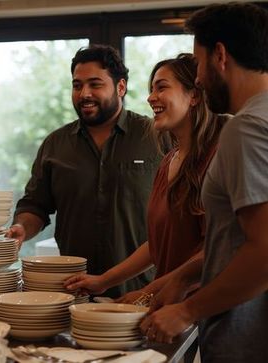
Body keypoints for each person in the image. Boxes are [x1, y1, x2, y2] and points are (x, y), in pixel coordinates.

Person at [140, 3, 268, 362]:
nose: (199, 79)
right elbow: (246, 240)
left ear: (220, 55)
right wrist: (184, 275)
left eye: (199, 63)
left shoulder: (249, 128)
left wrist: (187, 311)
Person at [6, 44, 168, 298]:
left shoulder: (157, 138)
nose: (84, 94)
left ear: (121, 87)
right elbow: (35, 205)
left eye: (95, 84)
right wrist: (22, 229)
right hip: (73, 291)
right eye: (77, 85)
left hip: (143, 293)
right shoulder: (55, 144)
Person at [64, 54, 226, 304]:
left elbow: (215, 251)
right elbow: (157, 244)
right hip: (167, 308)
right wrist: (103, 281)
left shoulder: (218, 158)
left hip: (200, 310)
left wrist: (146, 292)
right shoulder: (168, 161)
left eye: (161, 87)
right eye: (151, 89)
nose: (151, 98)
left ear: (194, 95)